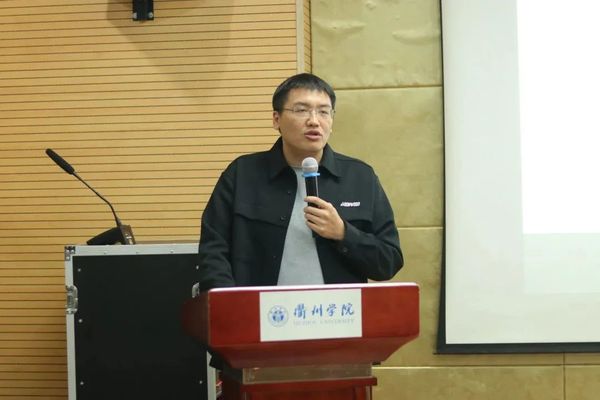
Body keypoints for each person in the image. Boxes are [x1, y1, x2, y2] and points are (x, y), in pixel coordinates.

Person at [197, 73, 403, 291]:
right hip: (259, 309)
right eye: (301, 110)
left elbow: (389, 261)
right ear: (276, 119)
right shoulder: (242, 174)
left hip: (337, 310)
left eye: (323, 112)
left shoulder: (360, 177)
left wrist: (343, 233)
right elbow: (213, 251)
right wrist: (231, 303)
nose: (314, 121)